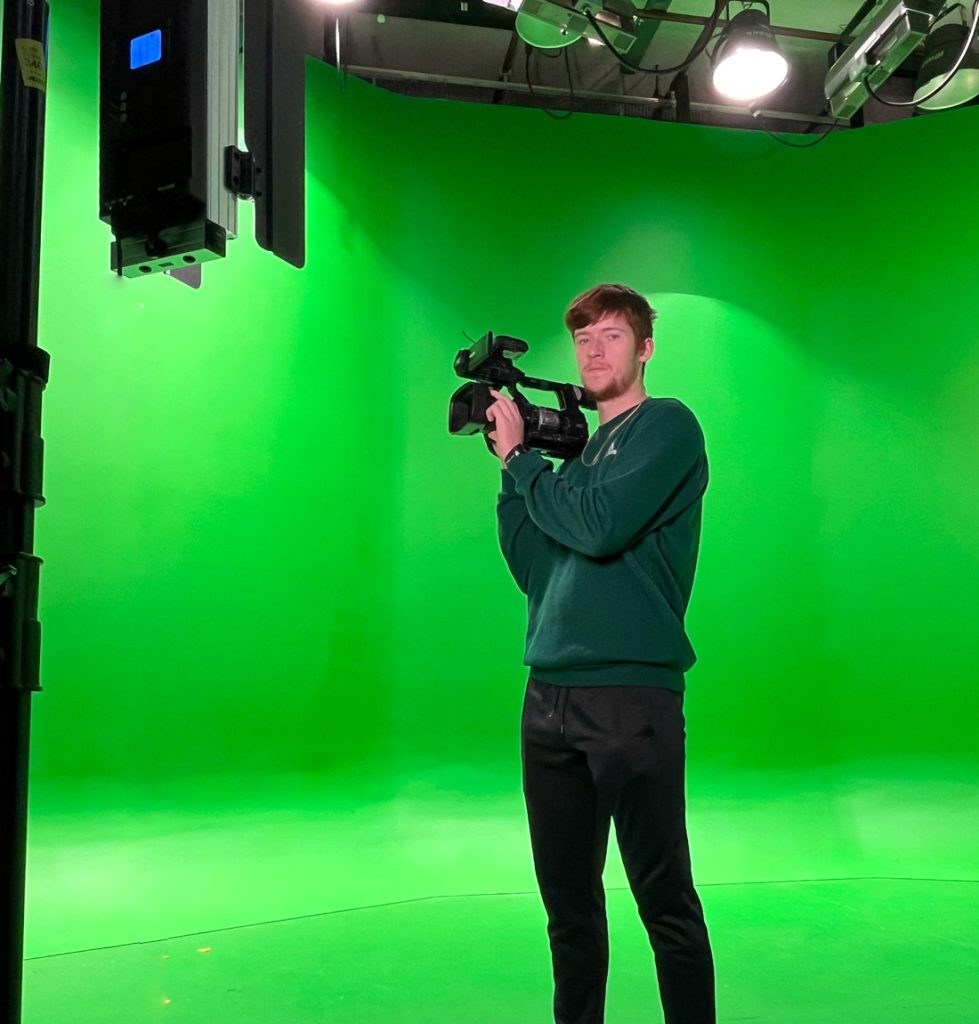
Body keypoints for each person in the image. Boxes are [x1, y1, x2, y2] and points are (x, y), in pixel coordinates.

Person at [485, 283, 715, 1024]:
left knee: (663, 901)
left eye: (611, 335)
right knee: (568, 910)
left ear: (644, 348)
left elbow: (602, 527)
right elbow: (533, 567)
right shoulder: (576, 465)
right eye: (583, 337)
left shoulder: (666, 429)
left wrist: (525, 465)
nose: (593, 349)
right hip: (547, 698)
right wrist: (508, 475)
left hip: (630, 697)